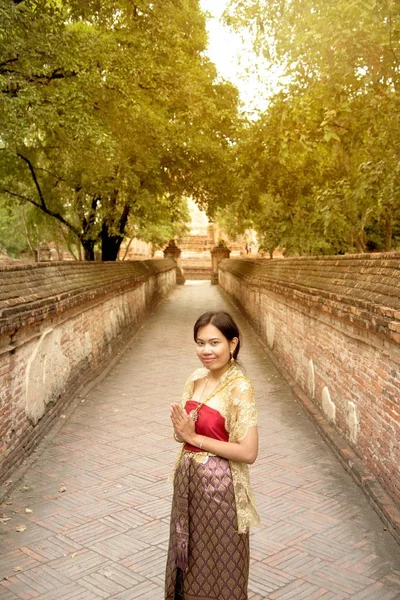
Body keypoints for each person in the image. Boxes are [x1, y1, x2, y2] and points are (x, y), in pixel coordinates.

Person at [165, 311, 259, 600]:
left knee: (221, 562)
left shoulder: (239, 388)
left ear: (233, 344)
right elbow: (183, 434)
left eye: (214, 343)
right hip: (188, 484)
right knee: (187, 555)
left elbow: (248, 451)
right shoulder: (195, 378)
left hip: (220, 490)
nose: (206, 350)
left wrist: (195, 437)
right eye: (200, 342)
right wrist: (183, 432)